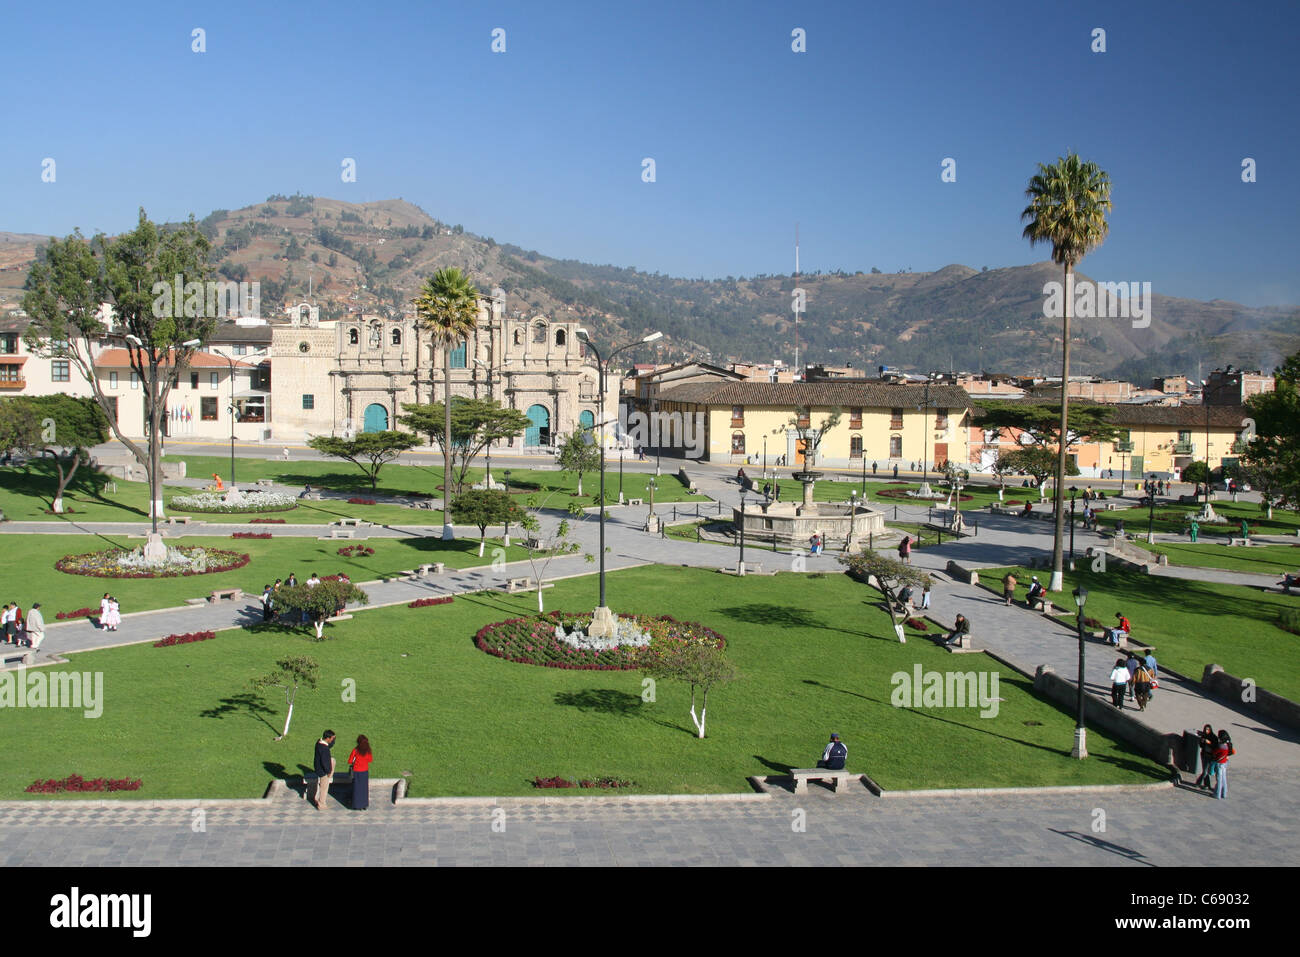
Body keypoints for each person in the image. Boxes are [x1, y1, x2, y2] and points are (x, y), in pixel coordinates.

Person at [312, 730, 336, 810]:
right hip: (322, 771)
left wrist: (333, 740)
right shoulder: (324, 749)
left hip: (318, 767)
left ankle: (316, 799)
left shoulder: (319, 742)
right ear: (328, 738)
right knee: (324, 787)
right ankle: (321, 804)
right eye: (332, 738)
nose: (332, 740)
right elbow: (325, 762)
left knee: (321, 785)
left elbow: (329, 745)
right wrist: (328, 772)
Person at [348, 734, 373, 811]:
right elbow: (370, 760)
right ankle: (364, 804)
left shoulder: (355, 750)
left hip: (356, 771)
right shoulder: (368, 751)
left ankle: (357, 804)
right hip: (364, 771)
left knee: (357, 788)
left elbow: (350, 761)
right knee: (364, 788)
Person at [1213, 730, 1235, 800]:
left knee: (1219, 779)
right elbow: (1232, 752)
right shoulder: (1229, 744)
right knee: (1224, 778)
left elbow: (1214, 752)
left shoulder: (1221, 746)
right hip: (1225, 762)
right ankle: (1224, 793)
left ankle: (1217, 794)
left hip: (1220, 763)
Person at [1196, 725, 1217, 789]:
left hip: (1210, 756)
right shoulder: (1204, 736)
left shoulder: (1213, 737)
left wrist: (1209, 742)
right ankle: (1206, 784)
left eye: (1208, 729)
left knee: (1205, 771)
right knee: (1205, 771)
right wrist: (1202, 742)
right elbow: (1201, 745)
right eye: (1205, 729)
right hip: (1204, 755)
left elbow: (1215, 746)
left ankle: (1198, 783)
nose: (1206, 731)